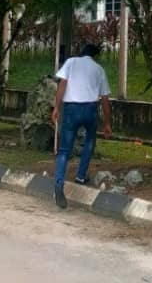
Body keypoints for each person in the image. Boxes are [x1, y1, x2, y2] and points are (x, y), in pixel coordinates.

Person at [50, 42, 112, 209]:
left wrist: (56, 108)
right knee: (90, 141)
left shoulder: (71, 62)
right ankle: (81, 175)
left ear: (82, 52)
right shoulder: (99, 69)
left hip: (71, 110)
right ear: (94, 56)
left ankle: (59, 184)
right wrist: (107, 123)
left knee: (64, 150)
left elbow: (62, 84)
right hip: (91, 109)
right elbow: (105, 100)